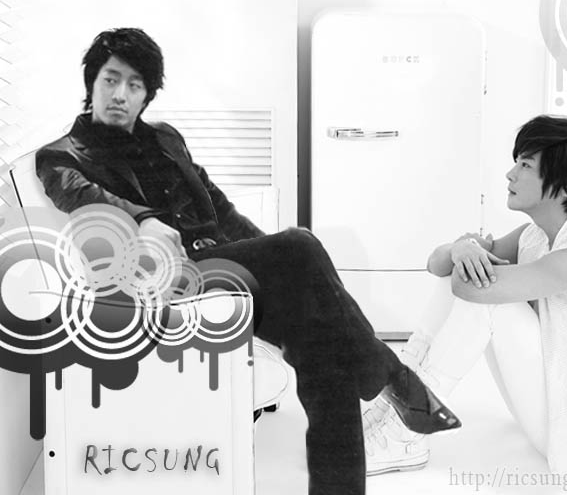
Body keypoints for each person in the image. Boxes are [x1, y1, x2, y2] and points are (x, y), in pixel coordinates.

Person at [35, 28, 460, 495]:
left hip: (229, 271)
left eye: (134, 85)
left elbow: (220, 209)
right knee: (300, 243)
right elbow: (81, 196)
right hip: (173, 281)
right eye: (111, 79)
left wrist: (283, 267)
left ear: (147, 94)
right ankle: (394, 376)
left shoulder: (166, 138)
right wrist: (142, 221)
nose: (120, 94)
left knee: (325, 346)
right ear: (91, 81)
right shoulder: (59, 156)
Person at [363, 115, 567, 475]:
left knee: (488, 300)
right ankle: (395, 404)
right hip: (558, 402)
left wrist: (467, 249)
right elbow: (438, 266)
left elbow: (468, 287)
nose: (510, 174)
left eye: (526, 165)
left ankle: (409, 431)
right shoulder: (534, 236)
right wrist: (460, 249)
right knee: (467, 276)